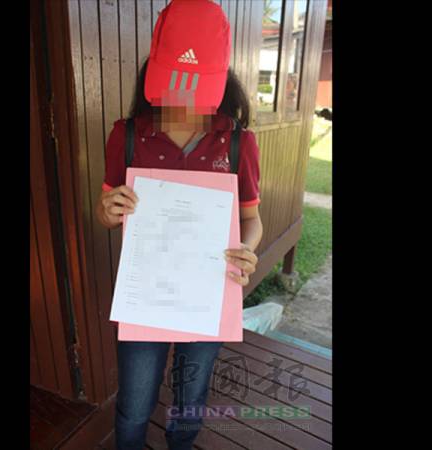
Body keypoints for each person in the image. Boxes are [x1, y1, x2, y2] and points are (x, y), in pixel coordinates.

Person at [94, 1, 263, 448]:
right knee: (134, 405)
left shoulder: (237, 142)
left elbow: (251, 218)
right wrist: (108, 210)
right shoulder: (128, 135)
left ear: (219, 82)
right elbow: (105, 210)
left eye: (197, 87)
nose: (184, 101)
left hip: (207, 296)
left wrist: (247, 249)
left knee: (190, 403)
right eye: (174, 83)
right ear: (154, 74)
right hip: (145, 297)